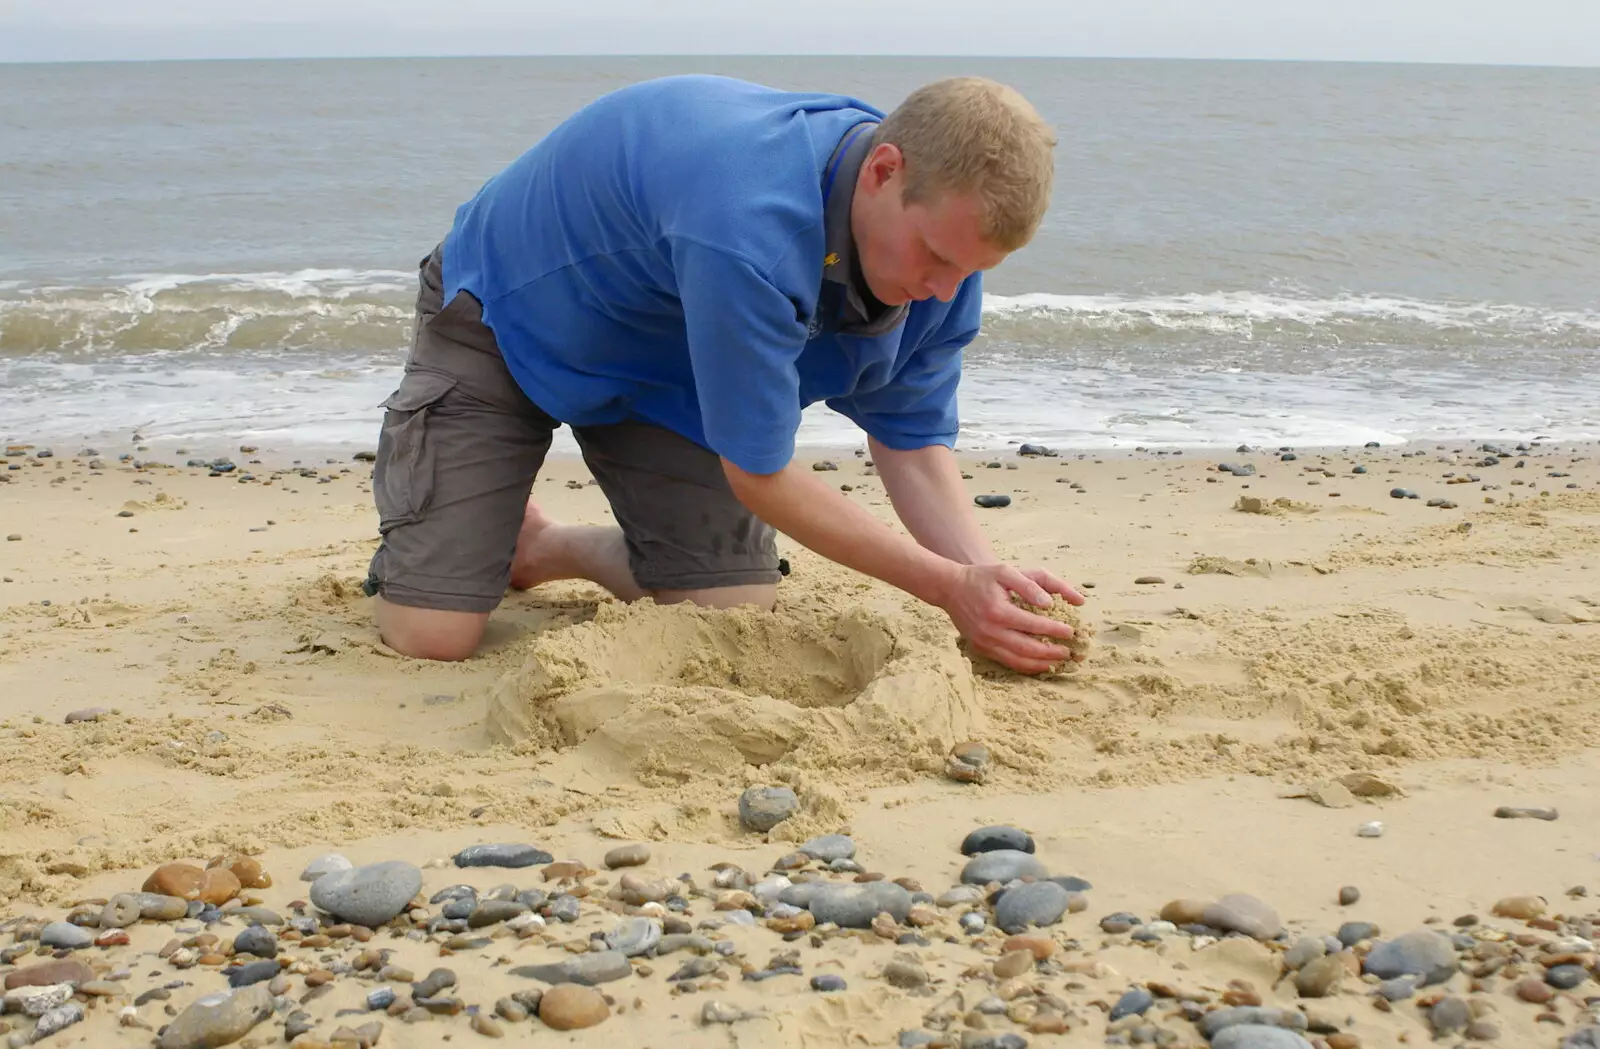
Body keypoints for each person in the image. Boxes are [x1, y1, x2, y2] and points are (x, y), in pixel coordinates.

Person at [363, 72, 1085, 672]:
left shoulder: (944, 266)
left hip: (669, 365)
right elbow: (760, 474)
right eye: (935, 255)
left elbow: (912, 442)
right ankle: (444, 521)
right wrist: (947, 587)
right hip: (509, 311)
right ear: (883, 170)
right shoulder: (750, 220)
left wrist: (989, 586)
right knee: (434, 635)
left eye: (973, 268)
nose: (946, 289)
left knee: (730, 612)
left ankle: (544, 545)